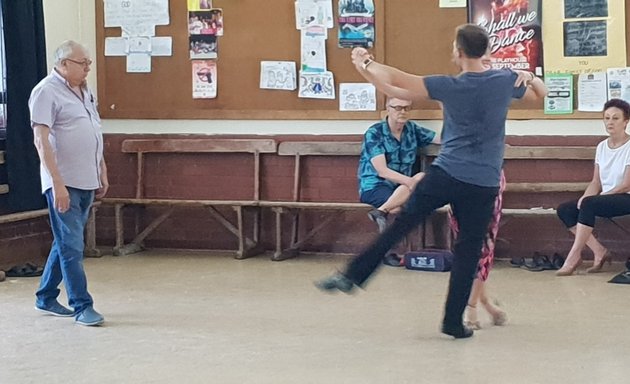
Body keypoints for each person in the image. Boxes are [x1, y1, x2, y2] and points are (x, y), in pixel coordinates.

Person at [316, 24, 547, 339]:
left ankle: (352, 276)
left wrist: (366, 63)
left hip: (446, 174)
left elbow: (398, 82)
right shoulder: (504, 80)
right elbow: (540, 97)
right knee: (468, 253)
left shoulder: (449, 86)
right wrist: (531, 77)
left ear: (459, 52)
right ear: (486, 51)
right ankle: (453, 322)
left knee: (400, 225)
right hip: (484, 184)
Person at [29, 40, 109, 326]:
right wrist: (57, 184)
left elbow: (94, 131)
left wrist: (101, 168)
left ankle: (46, 296)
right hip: (63, 182)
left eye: (88, 62)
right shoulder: (45, 92)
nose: (88, 67)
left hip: (87, 178)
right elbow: (41, 141)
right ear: (63, 64)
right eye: (82, 63)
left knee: (66, 242)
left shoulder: (85, 91)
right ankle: (81, 306)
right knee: (73, 245)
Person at [555, 98, 630, 276]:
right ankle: (599, 251)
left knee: (590, 204)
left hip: (625, 196)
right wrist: (585, 197)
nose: (610, 122)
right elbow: (596, 181)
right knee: (566, 209)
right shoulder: (602, 147)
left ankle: (574, 255)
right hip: (606, 197)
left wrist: (600, 197)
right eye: (607, 118)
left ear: (626, 122)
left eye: (615, 118)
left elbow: (626, 183)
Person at [358, 97, 438, 234]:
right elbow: (382, 171)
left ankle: (380, 212)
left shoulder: (412, 129)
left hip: (402, 187)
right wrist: (411, 182)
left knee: (422, 176)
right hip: (375, 185)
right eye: (398, 108)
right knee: (397, 208)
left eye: (406, 108)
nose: (402, 112)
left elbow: (439, 138)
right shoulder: (375, 133)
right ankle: (388, 250)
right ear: (388, 109)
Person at [450, 170, 507, 329]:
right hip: (458, 182)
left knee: (481, 253)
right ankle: (487, 304)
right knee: (466, 253)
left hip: (486, 184)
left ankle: (472, 307)